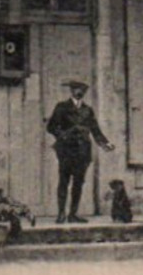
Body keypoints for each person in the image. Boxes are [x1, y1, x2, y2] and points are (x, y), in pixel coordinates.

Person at [46, 79, 114, 223]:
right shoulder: (62, 107)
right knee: (63, 181)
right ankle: (61, 213)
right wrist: (63, 135)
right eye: (77, 89)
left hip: (83, 151)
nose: (79, 92)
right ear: (71, 90)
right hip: (66, 150)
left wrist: (105, 143)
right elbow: (51, 127)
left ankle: (73, 214)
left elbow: (95, 130)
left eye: (82, 90)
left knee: (78, 183)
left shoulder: (87, 110)